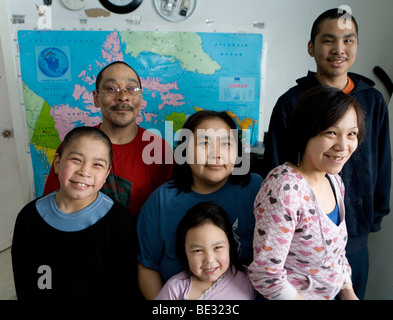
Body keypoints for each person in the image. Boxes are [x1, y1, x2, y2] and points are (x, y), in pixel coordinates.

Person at [261, 8, 391, 299]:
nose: (339, 49)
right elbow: (275, 164)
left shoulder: (371, 100)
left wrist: (374, 216)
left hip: (354, 227)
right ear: (312, 46)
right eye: (329, 40)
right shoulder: (291, 102)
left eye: (348, 40)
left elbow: (382, 162)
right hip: (299, 237)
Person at [249, 86, 364, 300]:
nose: (343, 145)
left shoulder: (334, 180)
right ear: (305, 131)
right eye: (331, 132)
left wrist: (349, 292)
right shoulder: (285, 187)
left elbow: (336, 254)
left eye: (352, 134)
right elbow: (266, 274)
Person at [137, 110, 263, 299]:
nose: (216, 154)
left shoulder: (256, 190)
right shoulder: (161, 201)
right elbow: (148, 267)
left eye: (226, 144)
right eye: (204, 143)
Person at [12, 126, 142, 300]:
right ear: (57, 163)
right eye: (76, 159)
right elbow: (25, 280)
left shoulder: (118, 221)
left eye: (97, 164)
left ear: (106, 174)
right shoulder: (30, 217)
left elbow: (125, 285)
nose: (84, 171)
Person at [43, 61, 174, 218]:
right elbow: (51, 207)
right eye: (111, 89)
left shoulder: (157, 148)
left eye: (131, 89)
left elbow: (168, 211)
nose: (123, 97)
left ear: (140, 97)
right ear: (96, 98)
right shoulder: (75, 145)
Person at [155, 201, 255, 300]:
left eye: (217, 247)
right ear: (185, 252)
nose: (209, 260)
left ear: (229, 245)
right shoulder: (175, 288)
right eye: (198, 250)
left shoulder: (250, 278)